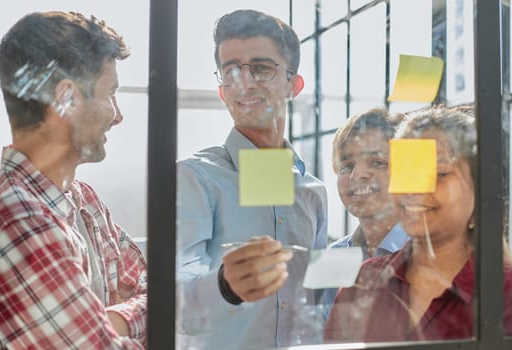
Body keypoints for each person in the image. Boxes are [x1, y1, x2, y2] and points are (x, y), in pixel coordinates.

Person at [0, 12, 146, 349]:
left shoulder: (84, 200)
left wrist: (111, 321)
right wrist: (129, 321)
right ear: (67, 98)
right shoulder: (20, 222)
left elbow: (153, 287)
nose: (118, 116)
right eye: (110, 94)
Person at [176, 9, 328, 349]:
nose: (244, 82)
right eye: (230, 71)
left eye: (261, 68)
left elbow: (315, 301)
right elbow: (173, 294)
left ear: (293, 85)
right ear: (221, 91)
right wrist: (224, 285)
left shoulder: (312, 191)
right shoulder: (195, 177)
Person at [324, 105, 512, 342]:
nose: (415, 187)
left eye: (439, 173)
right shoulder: (361, 283)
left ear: (479, 188)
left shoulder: (504, 293)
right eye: (407, 170)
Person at [322, 108, 408, 313]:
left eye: (378, 162)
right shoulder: (334, 257)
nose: (357, 174)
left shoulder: (426, 252)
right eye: (347, 165)